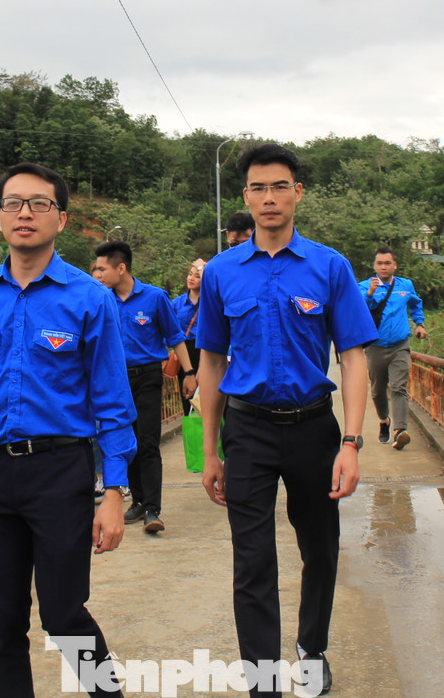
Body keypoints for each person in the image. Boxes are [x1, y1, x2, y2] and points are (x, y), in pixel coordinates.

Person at [0, 162, 136, 697]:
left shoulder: (89, 298)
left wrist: (115, 490)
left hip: (59, 472)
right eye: (12, 203)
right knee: (2, 623)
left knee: (62, 614)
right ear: (0, 216)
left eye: (39, 204)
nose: (24, 213)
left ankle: (107, 693)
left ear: (62, 219)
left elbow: (113, 402)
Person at [194, 143, 377, 698]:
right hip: (247, 431)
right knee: (252, 560)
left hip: (314, 431)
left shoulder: (330, 266)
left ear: (298, 192)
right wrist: (209, 450)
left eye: (279, 187)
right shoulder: (222, 272)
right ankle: (263, 681)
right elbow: (210, 361)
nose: (268, 198)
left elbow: (352, 356)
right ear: (244, 197)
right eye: (257, 188)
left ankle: (311, 649)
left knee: (319, 548)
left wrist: (351, 442)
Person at [90, 240, 190, 535]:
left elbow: (175, 336)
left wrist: (190, 372)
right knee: (125, 440)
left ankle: (152, 509)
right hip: (113, 380)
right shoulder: (99, 300)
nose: (97, 274)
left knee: (147, 441)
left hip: (147, 376)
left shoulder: (155, 297)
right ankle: (137, 501)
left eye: (102, 268)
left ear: (121, 268)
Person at [363, 247, 427, 450]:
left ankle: (400, 430)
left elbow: (416, 304)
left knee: (398, 387)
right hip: (375, 346)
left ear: (394, 265)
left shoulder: (405, 285)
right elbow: (358, 309)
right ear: (374, 266)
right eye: (380, 263)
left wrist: (420, 324)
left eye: (387, 263)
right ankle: (384, 420)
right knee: (377, 391)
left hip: (400, 345)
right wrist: (370, 293)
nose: (383, 267)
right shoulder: (364, 286)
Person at [171, 258, 207, 414]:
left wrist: (203, 269)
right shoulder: (176, 304)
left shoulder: (210, 301)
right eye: (190, 274)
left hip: (206, 351)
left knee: (209, 399)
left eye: (197, 276)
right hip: (185, 353)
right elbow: (170, 331)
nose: (191, 278)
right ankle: (193, 436)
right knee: (189, 399)